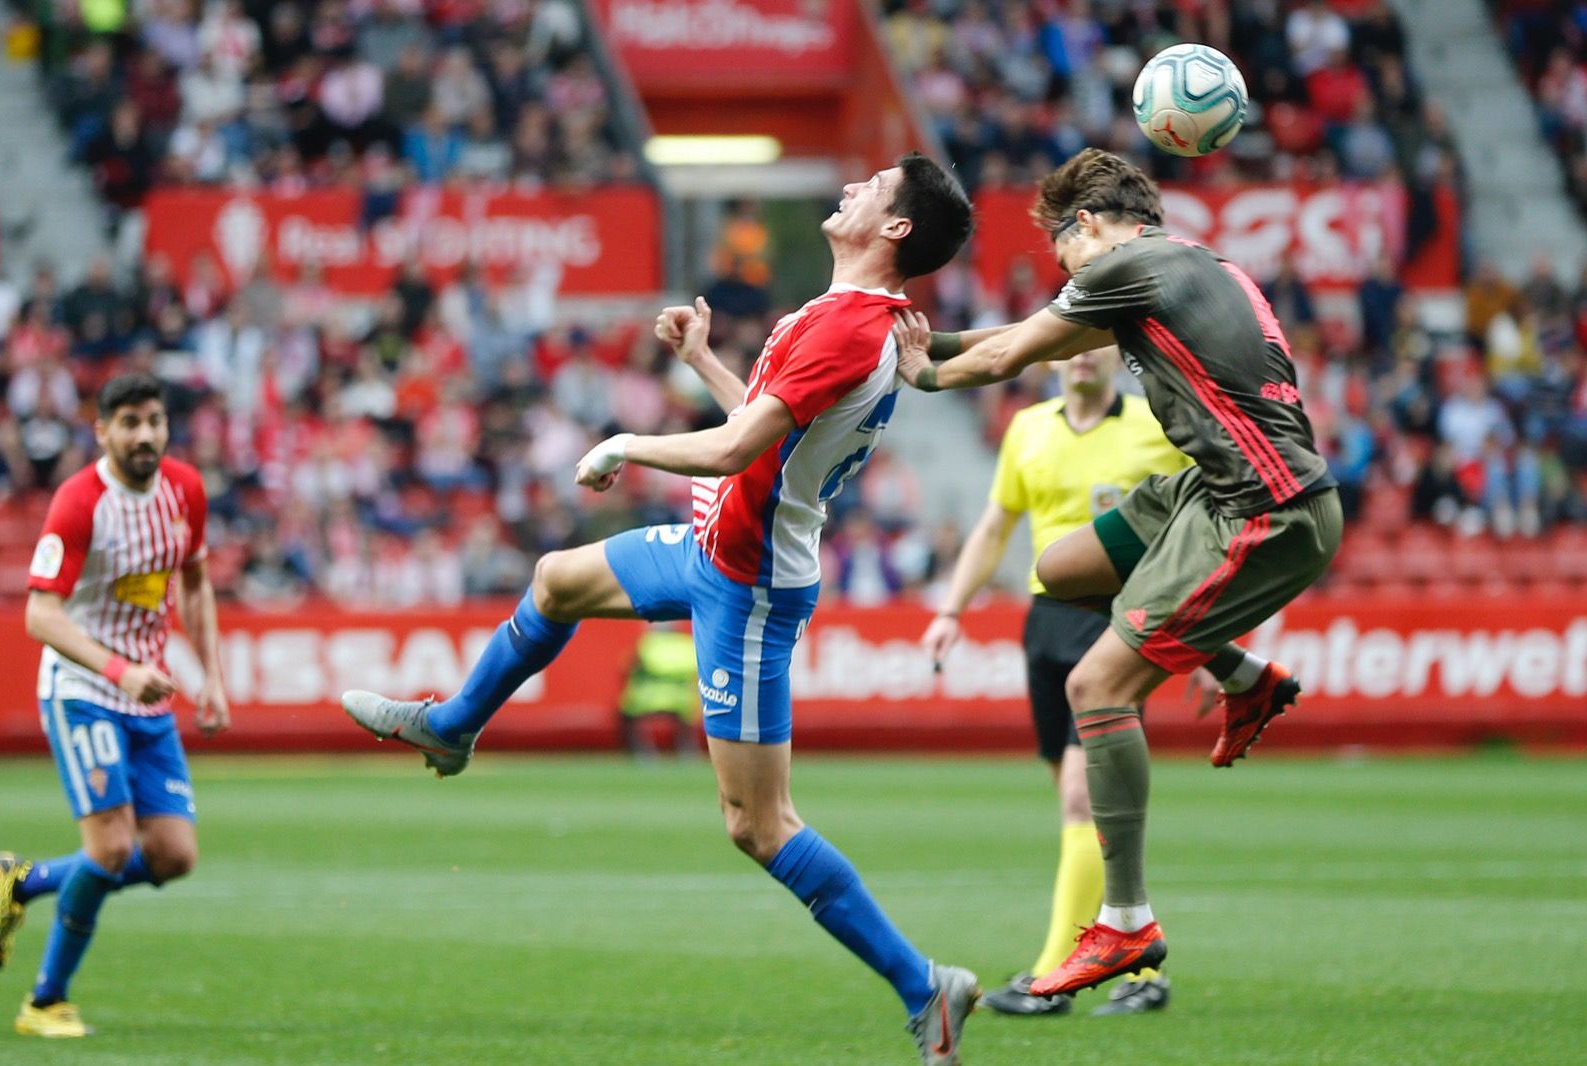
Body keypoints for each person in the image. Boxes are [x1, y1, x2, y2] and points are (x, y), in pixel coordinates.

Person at [341, 154, 982, 1065]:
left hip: (750, 580)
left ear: (896, 230)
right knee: (557, 580)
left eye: (872, 188)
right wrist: (706, 362)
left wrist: (626, 445)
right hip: (716, 546)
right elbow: (768, 432)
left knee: (758, 824)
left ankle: (927, 988)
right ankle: (451, 728)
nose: (850, 188)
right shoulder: (841, 316)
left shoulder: (847, 327)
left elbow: (734, 454)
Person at [896, 147, 1341, 1000]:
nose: (1063, 274)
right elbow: (1031, 336)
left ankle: (1126, 923)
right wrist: (939, 337)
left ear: (1089, 227)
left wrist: (923, 369)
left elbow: (1006, 359)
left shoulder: (1131, 268)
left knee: (1097, 688)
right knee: (1060, 569)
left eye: (1062, 254)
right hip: (1213, 489)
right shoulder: (1182, 267)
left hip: (1265, 509)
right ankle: (1245, 675)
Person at [923, 344, 1213, 1018]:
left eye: (1097, 344)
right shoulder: (1028, 428)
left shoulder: (1155, 428)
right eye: (1070, 346)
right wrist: (949, 609)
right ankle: (1141, 966)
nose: (1083, 356)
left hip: (1119, 620)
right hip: (1046, 624)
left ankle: (1054, 974)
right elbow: (997, 524)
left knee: (1084, 802)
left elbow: (1200, 529)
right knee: (1091, 812)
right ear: (1052, 359)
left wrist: (1200, 635)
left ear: (1118, 356)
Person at [0, 373, 230, 1038]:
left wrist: (211, 675)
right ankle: (45, 1002)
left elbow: (196, 582)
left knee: (174, 854)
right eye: (129, 422)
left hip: (144, 696)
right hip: (84, 690)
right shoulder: (79, 502)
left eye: (153, 419)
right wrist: (119, 669)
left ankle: (18, 880)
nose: (145, 433)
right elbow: (40, 615)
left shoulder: (185, 489)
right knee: (114, 848)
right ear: (102, 431)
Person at [618, 625, 701, 759]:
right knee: (685, 723)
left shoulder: (648, 644)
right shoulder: (687, 645)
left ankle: (642, 753)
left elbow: (628, 667)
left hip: (648, 701)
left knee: (625, 715)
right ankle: (687, 750)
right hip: (681, 702)